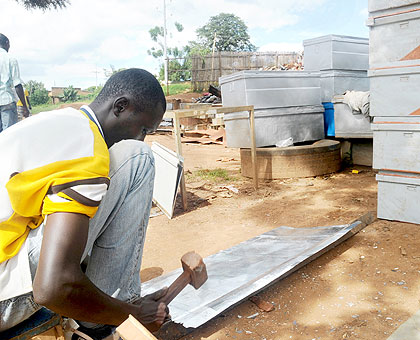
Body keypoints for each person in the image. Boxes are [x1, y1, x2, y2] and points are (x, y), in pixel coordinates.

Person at [0, 68, 169, 338]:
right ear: (121, 106)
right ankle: (101, 326)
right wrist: (132, 314)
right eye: (144, 128)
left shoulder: (59, 122)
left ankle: (102, 303)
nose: (142, 137)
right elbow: (52, 287)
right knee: (137, 158)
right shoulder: (87, 147)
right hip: (3, 300)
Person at [0, 33, 30, 132]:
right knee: (9, 135)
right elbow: (17, 85)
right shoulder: (10, 59)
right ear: (6, 43)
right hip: (6, 102)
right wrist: (25, 107)